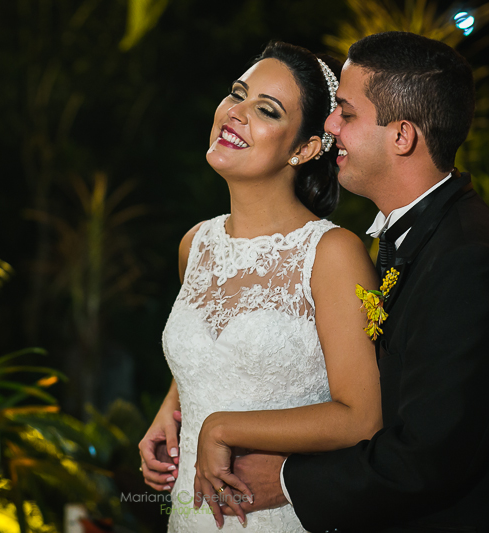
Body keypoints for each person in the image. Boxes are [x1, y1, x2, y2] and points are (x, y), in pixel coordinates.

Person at [220, 31, 489, 532]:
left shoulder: (471, 262)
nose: (330, 125)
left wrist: (287, 480)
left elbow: (428, 458)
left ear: (402, 137)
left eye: (347, 113)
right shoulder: (425, 235)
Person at [138, 41, 384, 531]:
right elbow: (216, 351)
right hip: (190, 516)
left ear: (304, 149)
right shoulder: (195, 245)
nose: (236, 112)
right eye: (237, 94)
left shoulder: (332, 253)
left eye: (267, 110)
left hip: (277, 513)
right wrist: (172, 407)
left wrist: (222, 428)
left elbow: (362, 418)